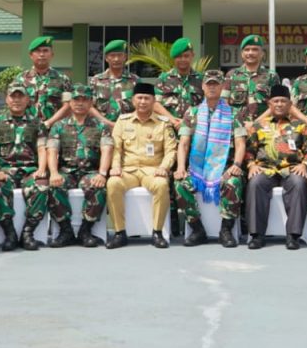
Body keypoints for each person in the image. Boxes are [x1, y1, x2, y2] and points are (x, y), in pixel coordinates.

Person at [174, 70, 246, 248]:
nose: (212, 87)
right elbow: (183, 143)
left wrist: (236, 165)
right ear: (203, 87)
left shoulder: (234, 113)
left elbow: (240, 143)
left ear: (222, 87)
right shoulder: (192, 113)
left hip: (224, 167)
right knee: (180, 184)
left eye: (216, 84)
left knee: (234, 182)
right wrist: (181, 167)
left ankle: (226, 230)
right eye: (209, 84)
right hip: (197, 169)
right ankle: (197, 229)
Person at [106, 82, 177, 249]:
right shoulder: (123, 121)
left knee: (161, 185)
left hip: (152, 171)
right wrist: (115, 166)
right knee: (113, 183)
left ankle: (157, 232)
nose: (143, 102)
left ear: (154, 101)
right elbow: (115, 149)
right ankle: (119, 233)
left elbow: (171, 150)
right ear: (133, 100)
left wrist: (164, 167)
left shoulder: (163, 123)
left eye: (147, 98)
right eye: (139, 98)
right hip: (128, 171)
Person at [244, 85, 307, 250]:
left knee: (299, 184)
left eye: (283, 101)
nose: (279, 104)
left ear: (290, 105)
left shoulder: (301, 126)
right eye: (276, 101)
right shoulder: (258, 125)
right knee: (255, 184)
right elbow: (249, 150)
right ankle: (256, 235)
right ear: (269, 104)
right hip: (265, 169)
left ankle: (293, 236)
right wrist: (251, 165)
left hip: (291, 169)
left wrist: (305, 165)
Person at [45, 84, 114, 248]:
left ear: (91, 103)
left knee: (99, 188)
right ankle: (65, 231)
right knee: (54, 187)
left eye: (85, 100)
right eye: (76, 99)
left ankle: (85, 230)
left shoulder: (101, 127)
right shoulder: (59, 126)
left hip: (90, 171)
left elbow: (107, 150)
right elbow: (52, 150)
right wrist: (54, 173)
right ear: (70, 102)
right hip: (66, 171)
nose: (80, 103)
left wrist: (102, 174)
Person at [0, 80, 49, 251]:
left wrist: (41, 169)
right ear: (7, 99)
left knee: (42, 187)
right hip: (5, 171)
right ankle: (10, 233)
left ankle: (28, 232)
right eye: (13, 97)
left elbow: (42, 149)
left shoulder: (37, 123)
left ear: (28, 100)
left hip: (30, 170)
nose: (17, 100)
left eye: (21, 97)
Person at [223, 34, 280, 130]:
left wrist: (255, 124)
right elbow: (224, 103)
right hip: (235, 130)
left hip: (263, 129)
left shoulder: (272, 76)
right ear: (242, 53)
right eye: (247, 49)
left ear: (262, 53)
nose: (250, 53)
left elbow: (276, 105)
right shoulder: (231, 75)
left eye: (255, 49)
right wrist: (236, 123)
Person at [20, 36, 73, 128]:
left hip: (55, 130)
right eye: (38, 51)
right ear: (31, 55)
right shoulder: (20, 79)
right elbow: (15, 104)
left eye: (45, 51)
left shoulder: (63, 79)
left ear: (52, 54)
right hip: (26, 129)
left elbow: (68, 105)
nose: (42, 54)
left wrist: (49, 123)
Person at [153, 37, 204, 129]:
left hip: (194, 130)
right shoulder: (163, 79)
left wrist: (186, 122)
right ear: (173, 58)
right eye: (179, 56)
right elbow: (155, 104)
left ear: (192, 55)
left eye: (186, 56)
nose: (183, 59)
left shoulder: (201, 80)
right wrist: (173, 120)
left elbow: (207, 105)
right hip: (169, 130)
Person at [90, 39, 139, 126]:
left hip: (128, 128)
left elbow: (141, 106)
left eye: (120, 55)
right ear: (106, 58)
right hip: (103, 129)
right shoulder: (96, 80)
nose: (116, 59)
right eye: (112, 56)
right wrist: (108, 123)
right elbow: (90, 107)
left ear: (125, 57)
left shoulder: (135, 80)